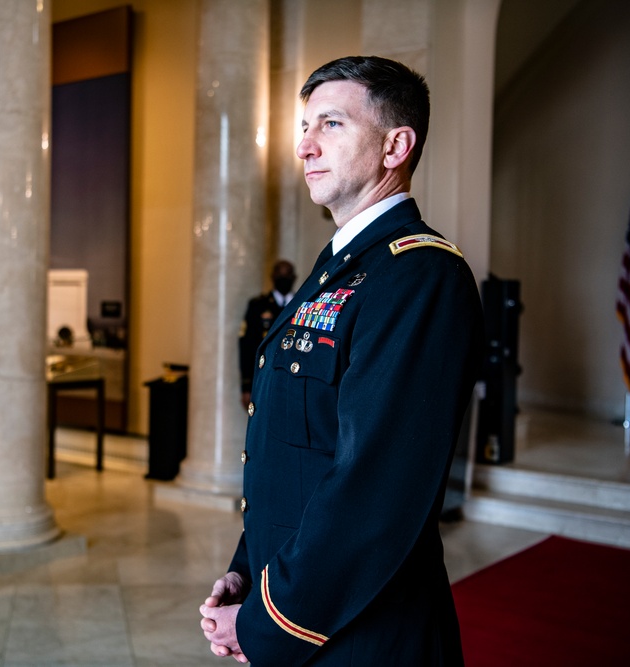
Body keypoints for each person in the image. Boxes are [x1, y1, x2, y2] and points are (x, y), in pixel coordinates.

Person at [199, 55, 484, 665]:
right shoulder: (339, 269)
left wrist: (268, 624)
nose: (304, 147)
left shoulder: (419, 275)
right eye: (303, 127)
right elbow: (293, 452)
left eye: (329, 125)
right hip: (305, 601)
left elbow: (373, 485)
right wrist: (248, 575)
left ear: (395, 146)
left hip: (362, 630)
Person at [238, 260, 297, 408]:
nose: (284, 280)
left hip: (293, 378)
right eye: (280, 275)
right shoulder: (258, 306)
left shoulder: (302, 304)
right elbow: (246, 347)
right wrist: (246, 386)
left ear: (294, 277)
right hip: (264, 377)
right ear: (273, 277)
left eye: (287, 275)